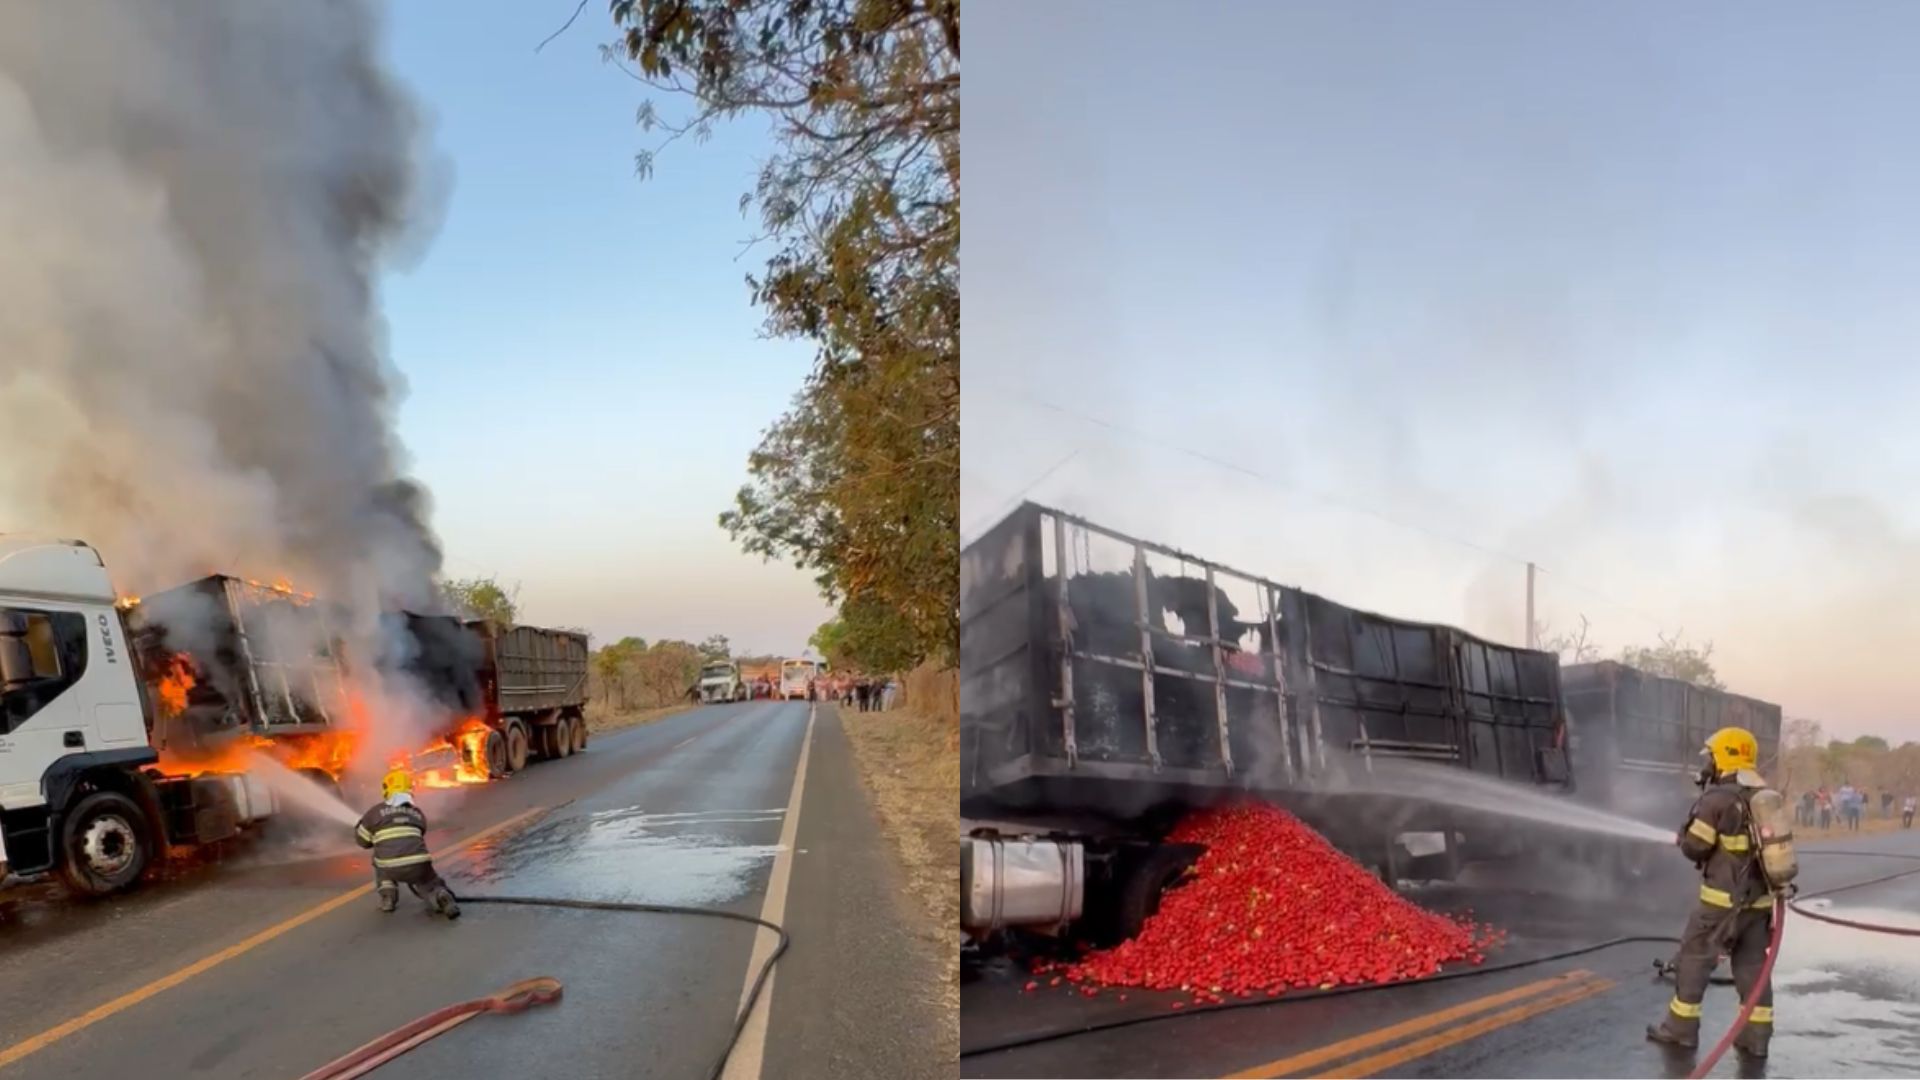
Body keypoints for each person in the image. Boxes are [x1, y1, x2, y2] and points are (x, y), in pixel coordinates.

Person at [1646, 726, 1775, 1059]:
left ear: (1725, 756)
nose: (1708, 764)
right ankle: (1755, 1038)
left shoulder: (1717, 799)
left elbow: (1696, 847)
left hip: (1720, 903)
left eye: (1712, 756)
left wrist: (1683, 838)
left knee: (1694, 960)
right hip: (1758, 905)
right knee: (1751, 968)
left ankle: (1680, 1031)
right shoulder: (1762, 798)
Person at [356, 766, 459, 919]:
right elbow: (419, 834)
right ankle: (441, 895)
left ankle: (388, 898)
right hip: (419, 864)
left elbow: (363, 842)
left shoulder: (374, 812)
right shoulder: (417, 813)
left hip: (389, 866)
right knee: (429, 881)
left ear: (387, 789)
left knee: (379, 861)